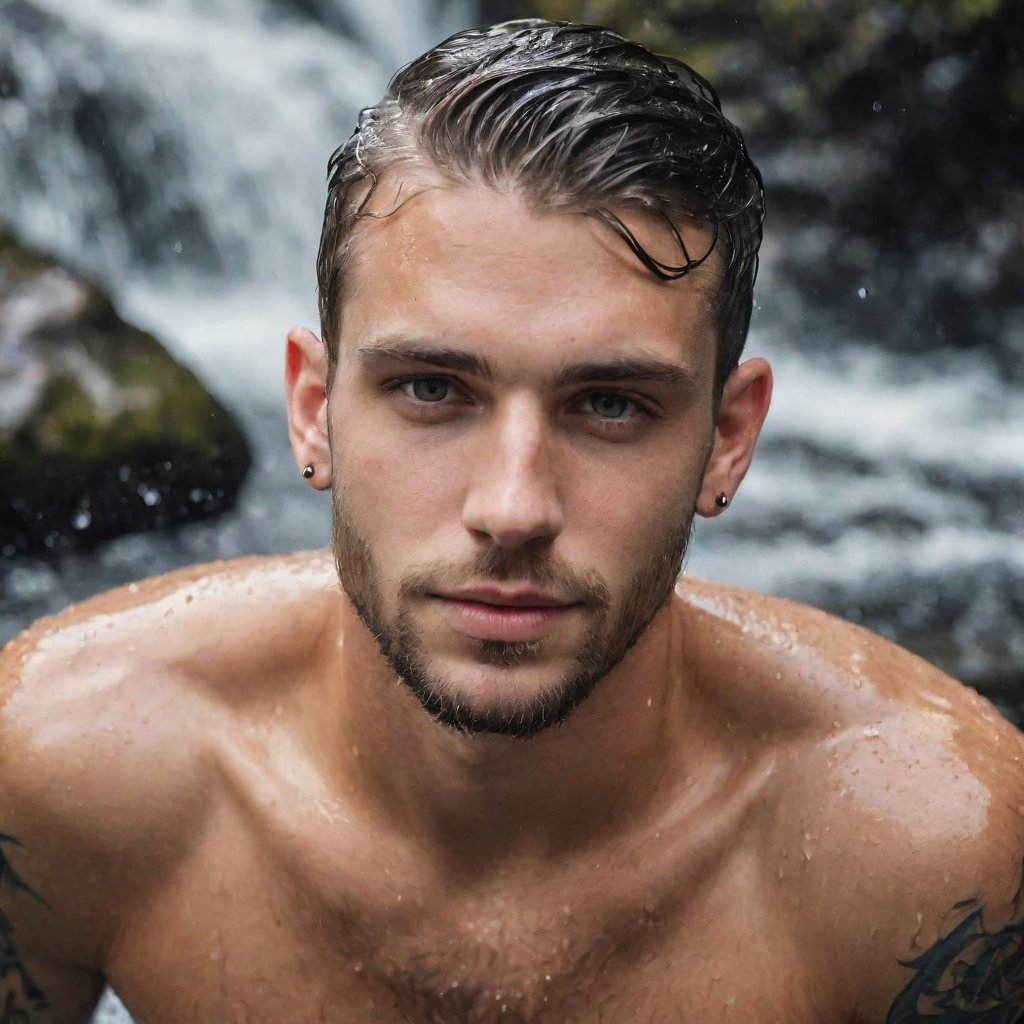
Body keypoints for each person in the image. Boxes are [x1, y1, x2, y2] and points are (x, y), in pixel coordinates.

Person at [2, 18, 1022, 1024]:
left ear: (726, 436)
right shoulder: (66, 764)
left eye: (610, 404)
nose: (512, 508)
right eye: (432, 390)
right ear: (312, 408)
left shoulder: (925, 852)